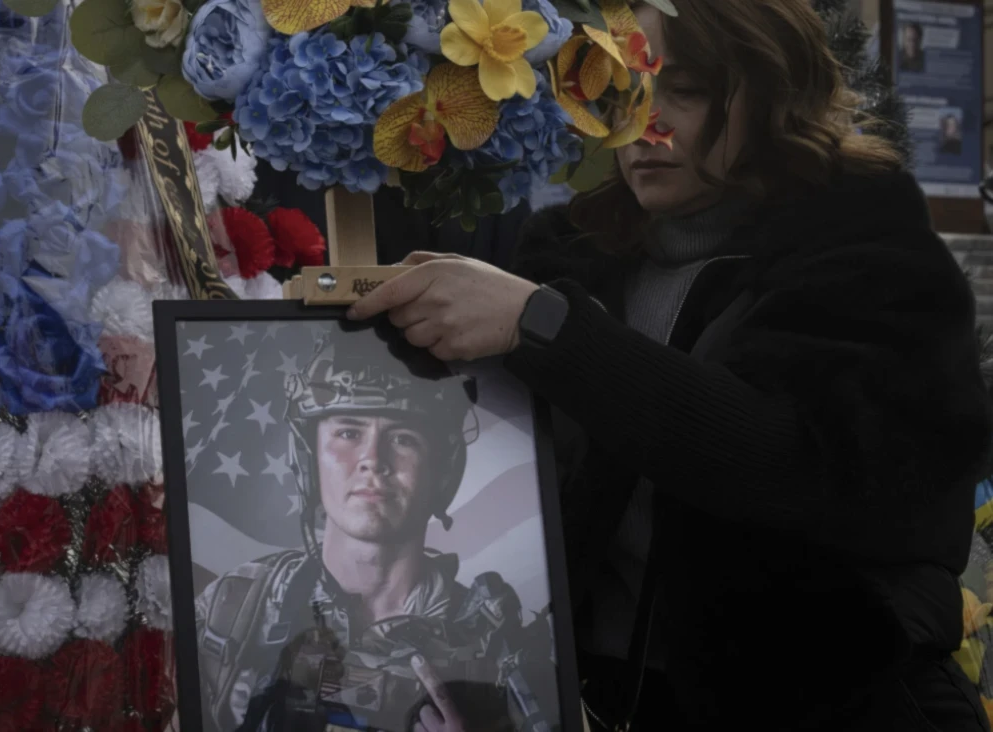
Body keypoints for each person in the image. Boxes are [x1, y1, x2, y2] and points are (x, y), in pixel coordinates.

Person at [347, 0, 993, 729]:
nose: (646, 125)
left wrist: (549, 330)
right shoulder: (572, 256)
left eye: (685, 90)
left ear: (776, 91)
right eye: (623, 92)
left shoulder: (876, 259)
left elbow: (793, 466)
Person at [192, 323, 558, 732]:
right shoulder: (235, 608)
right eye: (348, 432)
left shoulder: (499, 649)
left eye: (403, 438)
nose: (372, 460)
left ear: (442, 468)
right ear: (309, 457)